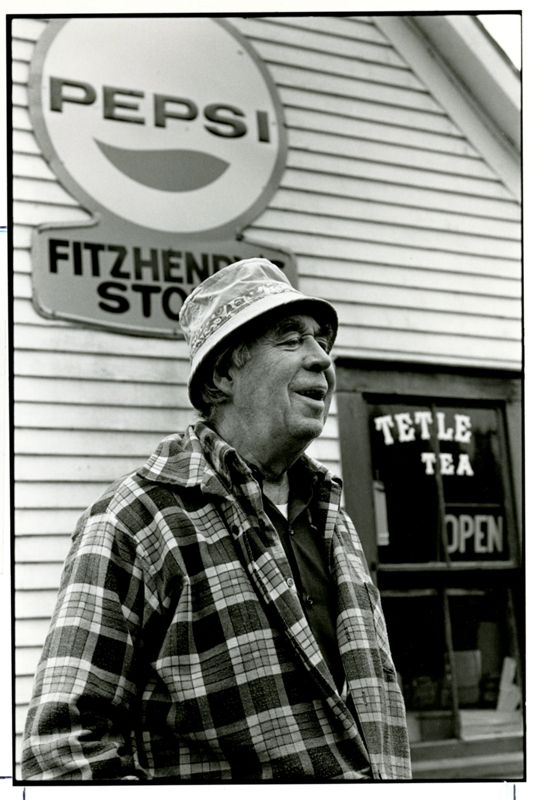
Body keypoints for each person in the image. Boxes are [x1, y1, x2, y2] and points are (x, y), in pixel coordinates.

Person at [21, 258, 411, 781]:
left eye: (322, 340)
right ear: (223, 374)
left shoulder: (330, 515)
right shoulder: (136, 520)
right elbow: (62, 753)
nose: (322, 358)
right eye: (291, 339)